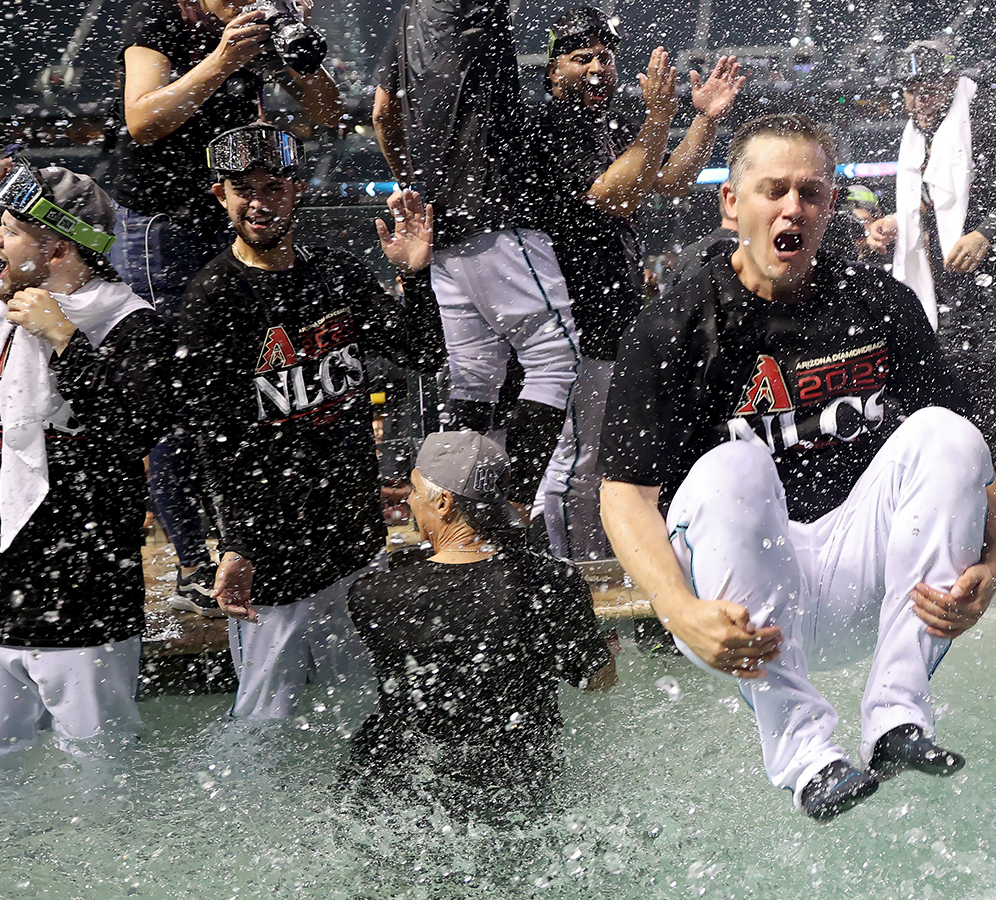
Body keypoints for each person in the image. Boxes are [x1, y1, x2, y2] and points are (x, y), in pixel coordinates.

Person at [599, 114, 996, 822]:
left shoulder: (881, 303)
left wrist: (991, 564)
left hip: (862, 584)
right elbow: (624, 495)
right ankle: (808, 759)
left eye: (811, 193)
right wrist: (677, 611)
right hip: (737, 613)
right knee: (735, 466)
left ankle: (898, 717)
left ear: (832, 206)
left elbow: (974, 463)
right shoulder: (673, 325)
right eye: (773, 190)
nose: (793, 208)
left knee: (951, 435)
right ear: (732, 203)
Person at [176, 125, 445, 720]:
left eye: (272, 186)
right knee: (262, 720)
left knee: (369, 706)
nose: (258, 201)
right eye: (242, 188)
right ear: (220, 196)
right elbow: (214, 441)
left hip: (353, 533)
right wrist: (239, 544)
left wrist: (416, 275)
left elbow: (424, 354)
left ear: (297, 191)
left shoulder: (337, 275)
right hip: (272, 548)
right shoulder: (211, 298)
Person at [119, 0, 344, 604]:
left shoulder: (266, 23)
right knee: (178, 394)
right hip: (163, 226)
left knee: (256, 379)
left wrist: (299, 46)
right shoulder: (163, 18)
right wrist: (221, 59)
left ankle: (249, 539)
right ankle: (194, 558)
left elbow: (328, 112)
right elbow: (141, 120)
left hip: (232, 215)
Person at [533, 7, 745, 560]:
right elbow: (615, 196)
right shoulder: (547, 122)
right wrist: (656, 118)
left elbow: (670, 182)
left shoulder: (611, 122)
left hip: (614, 313)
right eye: (582, 59)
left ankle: (606, 564)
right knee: (579, 461)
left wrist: (703, 121)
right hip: (568, 320)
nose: (598, 68)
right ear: (553, 71)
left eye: (605, 56)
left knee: (611, 454)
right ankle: (573, 575)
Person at [343, 430, 615, 819]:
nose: (410, 500)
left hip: (401, 790)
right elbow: (597, 680)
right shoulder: (551, 580)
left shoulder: (375, 595)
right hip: (519, 786)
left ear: (443, 501)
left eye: (416, 489)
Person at [373, 0, 578, 512]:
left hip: (442, 223)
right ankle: (513, 503)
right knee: (555, 360)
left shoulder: (407, 17)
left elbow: (382, 112)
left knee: (473, 376)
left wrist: (415, 183)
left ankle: (457, 509)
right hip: (493, 207)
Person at [0, 160, 175, 755]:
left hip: (83, 606)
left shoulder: (131, 326)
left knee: (102, 776)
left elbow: (135, 428)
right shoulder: (5, 313)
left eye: (7, 234)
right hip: (6, 598)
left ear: (54, 250)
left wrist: (67, 342)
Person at [865, 40, 996, 514]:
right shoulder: (917, 134)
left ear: (949, 81)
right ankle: (971, 509)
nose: (918, 99)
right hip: (948, 292)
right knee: (956, 398)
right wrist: (898, 222)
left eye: (927, 88)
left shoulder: (985, 110)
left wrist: (987, 231)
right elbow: (933, 200)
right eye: (909, 90)